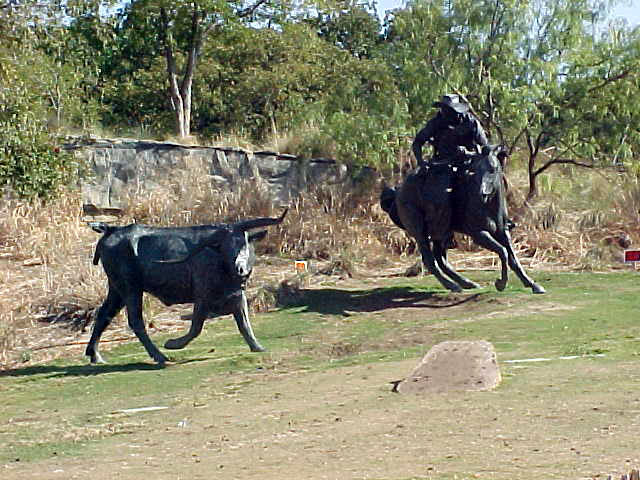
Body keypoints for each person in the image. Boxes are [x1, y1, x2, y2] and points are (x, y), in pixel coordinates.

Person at [412, 93, 489, 171]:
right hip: (442, 164)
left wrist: (470, 153)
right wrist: (420, 161)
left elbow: (484, 146)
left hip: (469, 164)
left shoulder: (471, 122)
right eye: (443, 108)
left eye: (448, 109)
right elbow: (418, 141)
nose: (445, 112)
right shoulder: (436, 122)